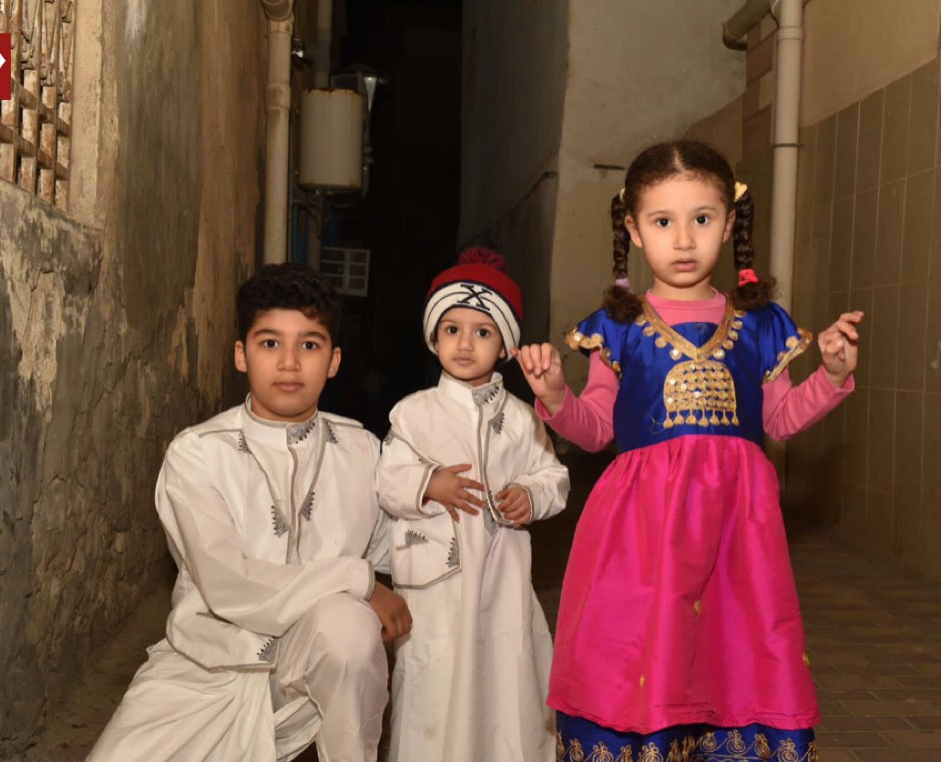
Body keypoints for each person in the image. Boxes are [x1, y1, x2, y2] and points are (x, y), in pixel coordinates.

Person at [513, 140, 863, 760]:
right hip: (641, 532)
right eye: (662, 221)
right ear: (633, 229)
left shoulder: (761, 323)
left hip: (738, 532)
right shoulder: (617, 326)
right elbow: (596, 430)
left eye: (701, 219)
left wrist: (831, 377)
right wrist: (555, 395)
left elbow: (780, 419)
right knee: (646, 655)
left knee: (737, 651)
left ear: (728, 224)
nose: (683, 239)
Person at [89, 263, 411, 762]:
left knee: (350, 628)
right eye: (270, 343)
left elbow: (408, 545)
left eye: (309, 344)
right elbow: (228, 583)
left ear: (333, 361)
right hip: (208, 664)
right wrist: (360, 579)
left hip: (310, 667)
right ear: (241, 354)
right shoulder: (197, 453)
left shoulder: (363, 450)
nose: (289, 363)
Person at [377, 248, 570, 761]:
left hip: (503, 581)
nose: (465, 344)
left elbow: (554, 477)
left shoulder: (524, 418)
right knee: (434, 689)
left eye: (482, 332)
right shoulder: (413, 414)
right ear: (434, 338)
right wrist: (428, 483)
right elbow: (386, 482)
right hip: (435, 586)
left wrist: (530, 495)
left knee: (506, 684)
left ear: (504, 345)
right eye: (452, 329)